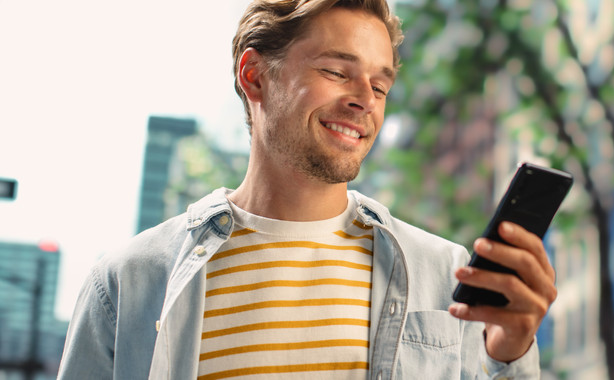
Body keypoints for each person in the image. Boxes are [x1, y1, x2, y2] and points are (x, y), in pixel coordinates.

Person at [57, 0, 556, 379]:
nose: (365, 101)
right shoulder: (128, 283)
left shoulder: (445, 272)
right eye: (337, 72)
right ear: (254, 76)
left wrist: (510, 351)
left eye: (380, 86)